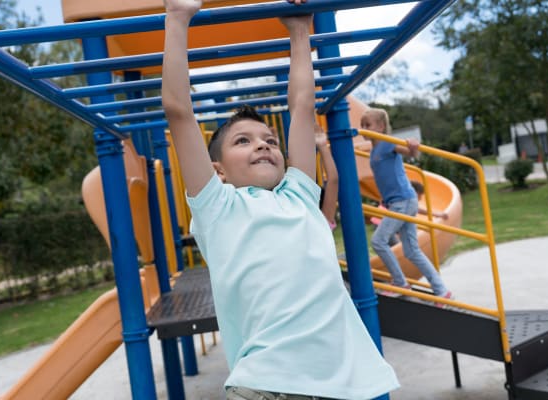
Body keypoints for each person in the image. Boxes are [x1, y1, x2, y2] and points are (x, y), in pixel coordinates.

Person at [162, 1, 399, 399]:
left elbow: (302, 107)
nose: (263, 145)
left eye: (270, 140)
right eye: (244, 141)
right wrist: (178, 17)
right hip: (266, 383)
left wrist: (299, 31)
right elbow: (178, 112)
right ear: (218, 169)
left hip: (340, 383)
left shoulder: (300, 197)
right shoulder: (219, 208)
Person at [361, 108, 453, 302]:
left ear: (381, 126)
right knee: (411, 250)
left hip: (402, 201)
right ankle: (441, 290)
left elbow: (407, 152)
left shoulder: (387, 143)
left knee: (378, 241)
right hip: (400, 201)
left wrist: (413, 147)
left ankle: (400, 282)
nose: (363, 129)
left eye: (367, 125)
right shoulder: (374, 149)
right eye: (362, 126)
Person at [316, 124, 339, 229]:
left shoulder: (321, 225)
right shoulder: (322, 226)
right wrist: (322, 146)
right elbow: (333, 180)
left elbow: (333, 180)